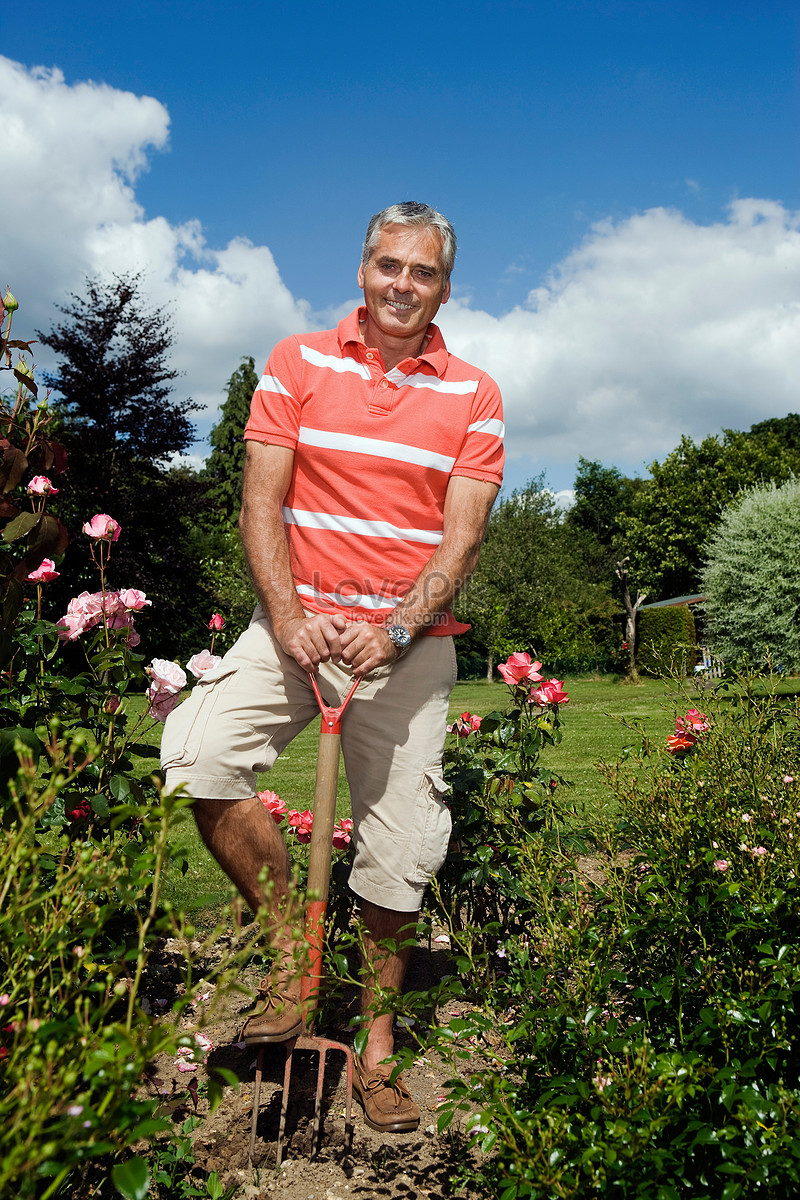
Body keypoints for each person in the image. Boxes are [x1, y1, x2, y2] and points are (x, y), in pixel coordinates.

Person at [160, 201, 504, 1133]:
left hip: (407, 645)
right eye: (389, 265)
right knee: (199, 755)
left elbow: (462, 538)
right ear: (362, 270)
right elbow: (259, 504)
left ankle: (378, 1050)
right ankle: (289, 952)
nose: (403, 285)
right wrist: (290, 616)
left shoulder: (474, 393)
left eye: (423, 272)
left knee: (397, 853)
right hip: (295, 631)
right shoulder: (296, 361)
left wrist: (393, 627)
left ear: (444, 285)